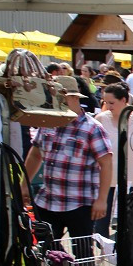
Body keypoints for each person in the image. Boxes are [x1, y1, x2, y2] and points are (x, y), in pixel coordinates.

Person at [24, 78, 112, 239]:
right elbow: (36, 154)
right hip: (48, 201)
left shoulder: (92, 128)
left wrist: (101, 199)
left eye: (61, 99)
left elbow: (106, 164)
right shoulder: (48, 122)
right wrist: (24, 184)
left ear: (74, 98)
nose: (56, 103)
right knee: (46, 252)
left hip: (79, 203)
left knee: (82, 253)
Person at [93, 83, 133, 236]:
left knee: (132, 226)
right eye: (105, 102)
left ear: (124, 100)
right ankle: (106, 254)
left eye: (112, 103)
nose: (108, 106)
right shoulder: (101, 120)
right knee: (101, 226)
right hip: (108, 182)